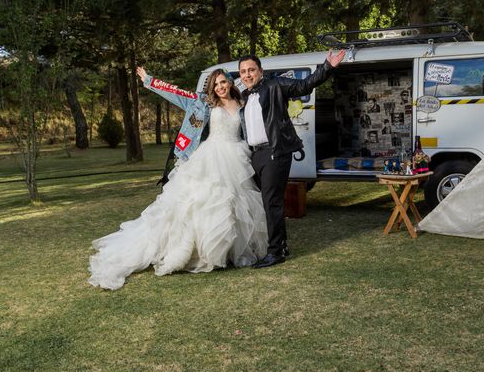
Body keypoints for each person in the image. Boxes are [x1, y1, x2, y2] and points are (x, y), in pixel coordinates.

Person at [88, 68, 268, 290]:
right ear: (211, 88)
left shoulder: (243, 105)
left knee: (233, 205)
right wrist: (150, 81)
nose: (220, 87)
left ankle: (229, 251)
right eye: (215, 84)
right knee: (201, 204)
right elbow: (176, 93)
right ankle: (198, 252)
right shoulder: (203, 103)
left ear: (230, 83)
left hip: (237, 157)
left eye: (223, 82)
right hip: (210, 156)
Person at [238, 49, 345, 268]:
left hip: (275, 152)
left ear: (260, 71)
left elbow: (303, 85)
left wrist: (327, 67)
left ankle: (276, 252)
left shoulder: (275, 85)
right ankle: (281, 245)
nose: (247, 74)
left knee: (271, 202)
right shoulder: (246, 96)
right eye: (243, 71)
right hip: (256, 154)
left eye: (251, 70)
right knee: (266, 202)